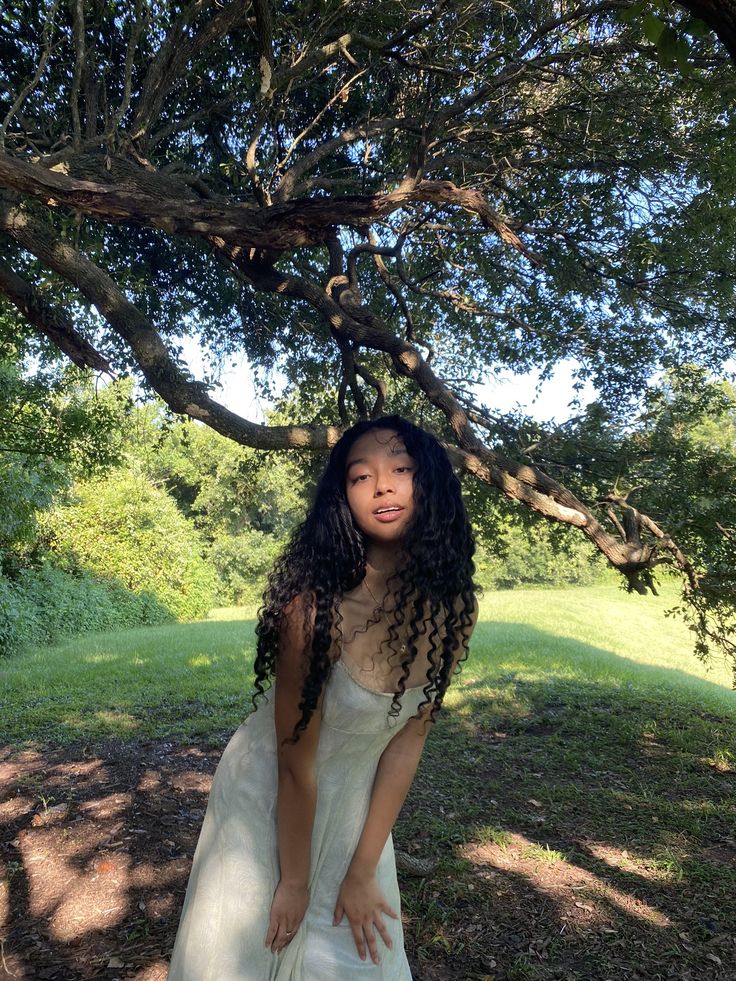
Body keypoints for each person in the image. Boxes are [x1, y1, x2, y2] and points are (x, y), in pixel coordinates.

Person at [167, 415, 479, 980]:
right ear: (343, 500)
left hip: (357, 815)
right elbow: (295, 766)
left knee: (364, 960)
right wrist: (293, 882)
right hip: (269, 803)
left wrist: (362, 869)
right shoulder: (314, 613)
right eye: (361, 477)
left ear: (430, 484)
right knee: (251, 955)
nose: (382, 485)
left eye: (401, 470)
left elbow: (407, 744)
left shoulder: (454, 611)